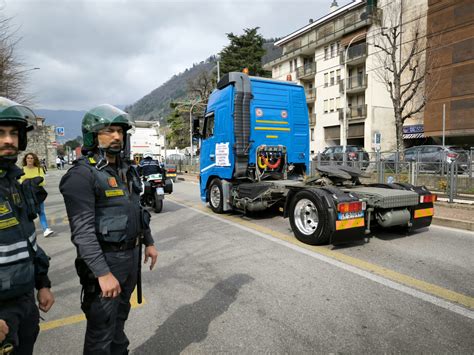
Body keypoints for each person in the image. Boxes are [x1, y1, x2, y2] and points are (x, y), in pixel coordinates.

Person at [59, 104, 158, 354]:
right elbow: (82, 233)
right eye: (109, 131)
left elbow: (137, 209)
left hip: (130, 259)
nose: (116, 136)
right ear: (93, 135)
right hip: (106, 260)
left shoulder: (127, 170)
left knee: (119, 321)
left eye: (120, 131)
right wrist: (102, 273)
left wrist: (149, 242)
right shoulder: (82, 176)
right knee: (101, 331)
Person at [0, 97, 54, 353]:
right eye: (0, 134)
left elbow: (28, 242)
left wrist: (42, 283)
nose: (8, 140)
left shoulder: (13, 185)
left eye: (13, 133)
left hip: (24, 300)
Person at [20, 152, 54, 237]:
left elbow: (42, 182)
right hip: (26, 194)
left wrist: (28, 181)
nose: (30, 159)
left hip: (37, 194)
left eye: (32, 158)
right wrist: (34, 180)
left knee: (41, 211)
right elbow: (20, 182)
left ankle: (45, 229)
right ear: (25, 159)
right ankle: (29, 231)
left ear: (34, 159)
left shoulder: (39, 169)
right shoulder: (22, 169)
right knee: (28, 213)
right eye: (28, 158)